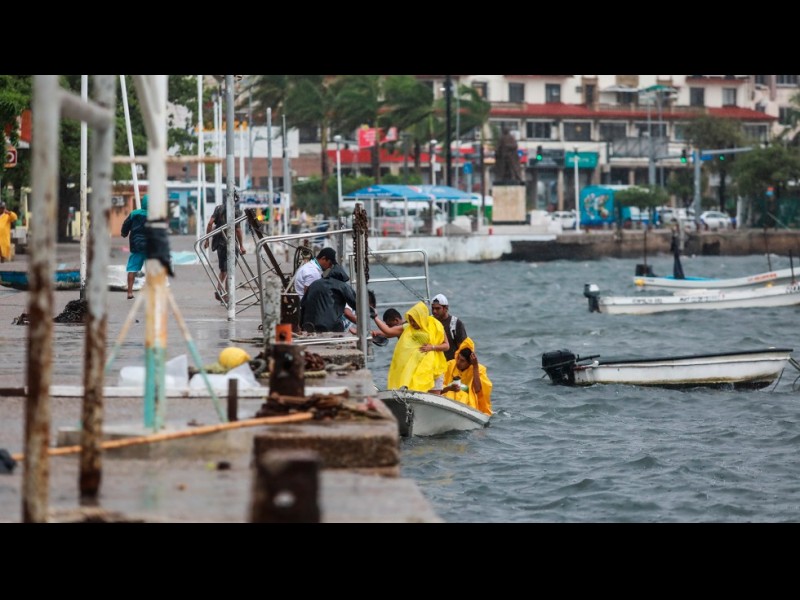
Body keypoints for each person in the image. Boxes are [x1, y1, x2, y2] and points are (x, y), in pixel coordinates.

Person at [373, 301, 448, 392]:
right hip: (415, 367)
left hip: (434, 365)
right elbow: (389, 331)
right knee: (416, 392)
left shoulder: (436, 325)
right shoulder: (408, 327)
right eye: (410, 320)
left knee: (435, 394)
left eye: (414, 320)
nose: (412, 323)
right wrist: (375, 318)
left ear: (420, 317)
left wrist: (432, 347)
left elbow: (446, 345)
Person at [204, 192, 246, 302]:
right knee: (230, 270)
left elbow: (210, 223)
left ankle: (219, 289)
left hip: (219, 243)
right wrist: (241, 246)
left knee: (223, 270)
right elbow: (238, 230)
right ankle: (227, 295)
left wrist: (207, 240)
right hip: (230, 243)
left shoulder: (218, 209)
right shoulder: (235, 211)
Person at [440, 337, 493, 416]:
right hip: (447, 397)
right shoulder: (450, 364)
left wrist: (475, 367)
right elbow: (438, 386)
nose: (458, 362)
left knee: (463, 395)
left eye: (462, 361)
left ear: (469, 362)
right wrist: (450, 388)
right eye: (458, 358)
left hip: (467, 402)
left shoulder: (479, 369)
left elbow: (478, 390)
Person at [300, 263, 358, 333]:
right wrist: (365, 322)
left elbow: (303, 304)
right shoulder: (342, 286)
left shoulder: (314, 284)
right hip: (332, 327)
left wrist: (301, 325)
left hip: (309, 325)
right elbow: (357, 305)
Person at [120, 194, 148, 299]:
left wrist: (124, 233)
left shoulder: (134, 214)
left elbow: (125, 224)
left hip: (137, 246)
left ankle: (130, 293)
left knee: (132, 269)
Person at [431, 293, 468, 362]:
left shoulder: (455, 323)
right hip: (434, 364)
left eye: (437, 308)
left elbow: (462, 348)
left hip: (450, 364)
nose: (434, 311)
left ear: (446, 308)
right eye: (433, 308)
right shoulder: (429, 322)